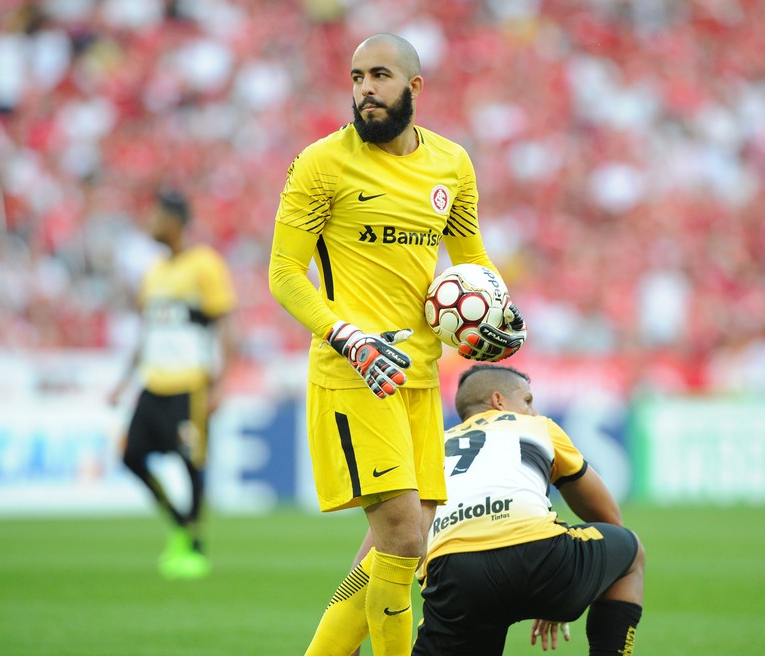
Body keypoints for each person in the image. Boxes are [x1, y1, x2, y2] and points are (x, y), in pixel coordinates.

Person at [267, 33, 526, 656]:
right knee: (405, 538)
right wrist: (347, 334)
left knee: (404, 540)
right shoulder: (320, 164)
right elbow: (282, 274)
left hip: (417, 375)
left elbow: (472, 265)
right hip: (353, 370)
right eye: (356, 78)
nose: (363, 90)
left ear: (414, 87)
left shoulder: (452, 166)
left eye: (378, 76)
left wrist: (495, 314)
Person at [411, 364, 645, 655]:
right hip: (539, 556)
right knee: (631, 552)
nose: (533, 411)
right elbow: (609, 518)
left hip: (453, 574)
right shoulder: (537, 426)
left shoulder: (430, 448)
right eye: (527, 401)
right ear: (499, 401)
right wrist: (562, 589)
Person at [108, 189, 237, 580]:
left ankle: (194, 547)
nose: (150, 223)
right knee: (131, 457)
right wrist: (123, 381)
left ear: (176, 221)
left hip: (189, 382)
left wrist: (222, 382)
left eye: (156, 215)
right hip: (154, 381)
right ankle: (181, 523)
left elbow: (226, 323)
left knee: (190, 461)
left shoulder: (204, 265)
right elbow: (146, 333)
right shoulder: (153, 273)